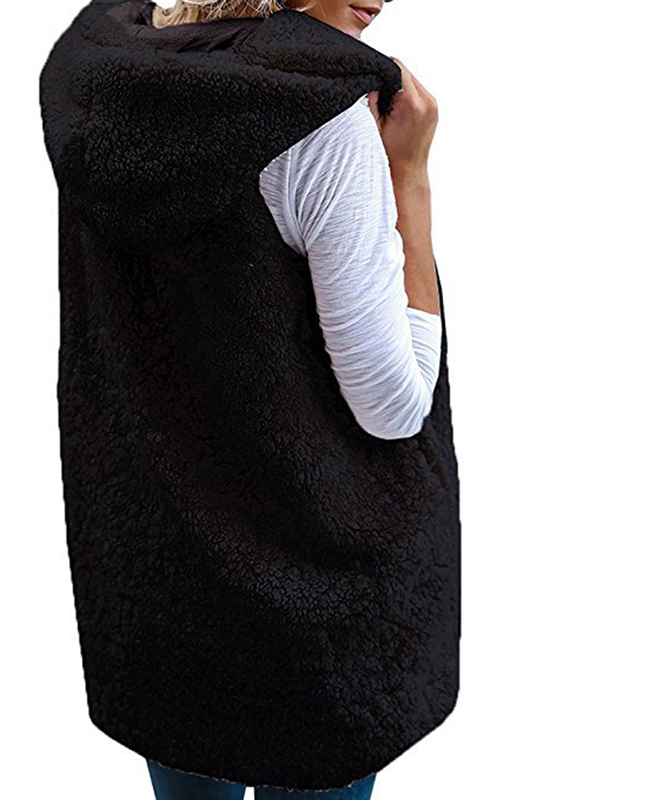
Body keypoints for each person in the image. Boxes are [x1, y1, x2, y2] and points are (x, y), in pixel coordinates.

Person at [143, 1, 441, 797]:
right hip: (312, 584)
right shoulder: (324, 121)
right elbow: (392, 404)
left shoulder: (134, 91)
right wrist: (410, 177)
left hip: (175, 566)